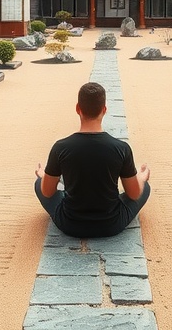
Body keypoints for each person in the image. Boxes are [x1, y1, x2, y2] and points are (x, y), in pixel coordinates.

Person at [34, 82, 151, 238]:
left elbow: (47, 192)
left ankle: (62, 190)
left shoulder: (60, 147)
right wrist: (141, 179)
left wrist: (44, 176)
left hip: (70, 224)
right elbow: (134, 194)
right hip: (111, 224)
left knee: (39, 184)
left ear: (78, 108)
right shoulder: (121, 148)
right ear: (104, 110)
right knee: (145, 188)